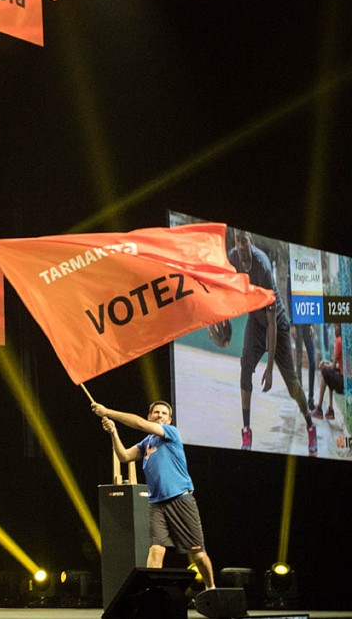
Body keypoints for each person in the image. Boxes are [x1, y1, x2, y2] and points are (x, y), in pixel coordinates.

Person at [92, 401, 215, 590]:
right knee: (156, 550)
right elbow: (124, 456)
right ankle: (152, 594)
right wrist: (113, 432)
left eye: (164, 413)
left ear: (169, 419)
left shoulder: (171, 432)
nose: (159, 415)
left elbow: (140, 424)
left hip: (180, 499)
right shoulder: (146, 443)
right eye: (156, 412)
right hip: (156, 503)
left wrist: (108, 411)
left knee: (198, 555)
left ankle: (211, 589)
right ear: (150, 416)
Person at [228, 230, 316, 455]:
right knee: (245, 367)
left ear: (251, 241)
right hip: (255, 322)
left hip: (276, 322)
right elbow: (224, 288)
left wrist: (269, 368)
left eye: (244, 240)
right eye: (237, 240)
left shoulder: (263, 266)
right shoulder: (233, 258)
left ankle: (309, 424)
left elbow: (272, 322)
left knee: (293, 385)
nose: (240, 245)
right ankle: (246, 429)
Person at [315, 324, 343, 420]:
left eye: (335, 327)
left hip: (343, 384)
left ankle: (319, 408)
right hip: (345, 380)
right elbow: (339, 367)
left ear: (339, 328)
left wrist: (324, 365)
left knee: (325, 372)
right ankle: (330, 409)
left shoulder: (339, 341)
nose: (334, 329)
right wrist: (327, 363)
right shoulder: (345, 341)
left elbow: (333, 367)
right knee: (329, 374)